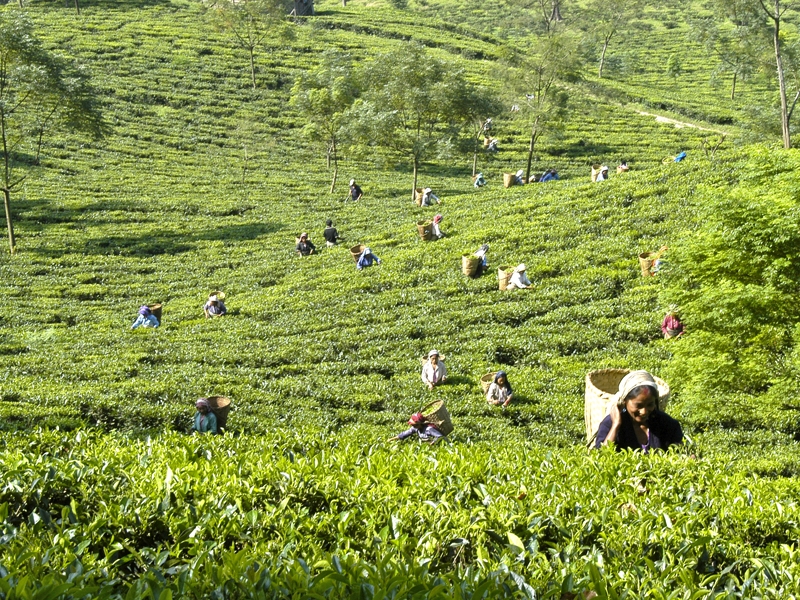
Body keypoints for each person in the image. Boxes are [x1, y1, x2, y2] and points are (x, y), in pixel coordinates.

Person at [595, 370, 683, 452]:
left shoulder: (667, 424)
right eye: (638, 405)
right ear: (625, 401)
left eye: (650, 405)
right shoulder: (609, 424)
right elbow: (602, 456)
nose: (644, 411)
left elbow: (680, 451)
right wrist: (616, 425)